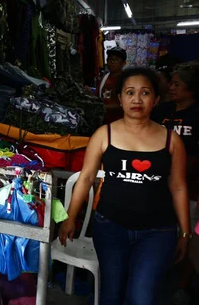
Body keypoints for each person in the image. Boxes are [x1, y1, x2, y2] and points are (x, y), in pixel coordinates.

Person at [59, 67, 191, 305]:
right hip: (110, 228)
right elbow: (87, 178)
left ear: (156, 99)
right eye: (130, 92)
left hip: (158, 232)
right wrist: (70, 218)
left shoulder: (172, 140)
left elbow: (179, 186)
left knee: (142, 297)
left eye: (145, 93)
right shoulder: (104, 134)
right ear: (120, 99)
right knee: (111, 293)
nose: (137, 99)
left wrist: (184, 232)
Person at [151, 62, 199, 304]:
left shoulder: (197, 115)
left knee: (186, 230)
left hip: (190, 186)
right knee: (161, 227)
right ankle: (158, 272)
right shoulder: (162, 111)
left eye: (177, 84)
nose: (171, 87)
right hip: (159, 182)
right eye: (172, 83)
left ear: (191, 90)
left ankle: (182, 283)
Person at [98, 47, 127, 124]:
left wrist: (104, 107)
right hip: (104, 122)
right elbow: (99, 95)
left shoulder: (126, 81)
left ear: (123, 63)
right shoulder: (104, 77)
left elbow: (126, 104)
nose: (112, 62)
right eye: (110, 59)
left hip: (120, 124)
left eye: (116, 60)